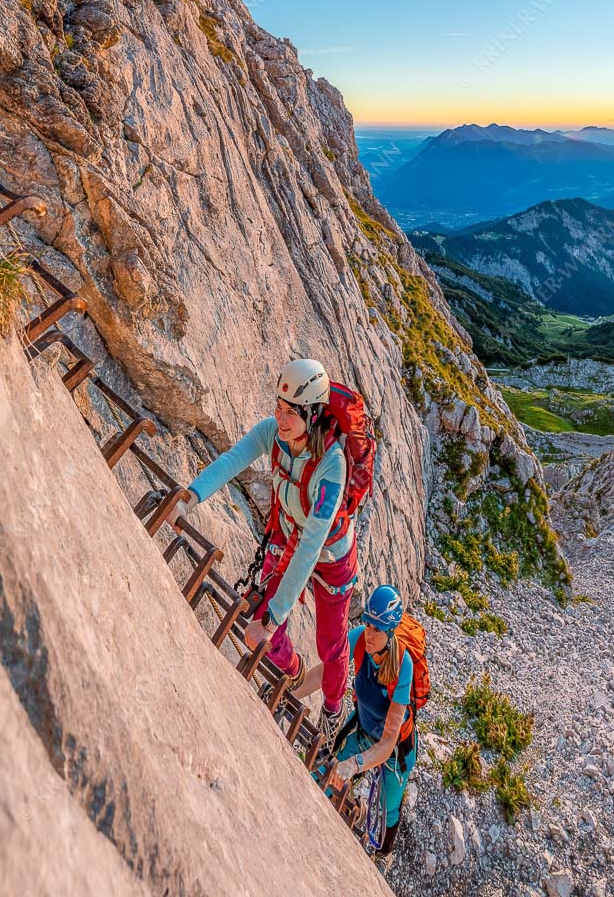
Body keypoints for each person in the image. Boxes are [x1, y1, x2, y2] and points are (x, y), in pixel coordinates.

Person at [177, 358, 358, 745]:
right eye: (278, 406)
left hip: (331, 559)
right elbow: (233, 460)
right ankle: (294, 673)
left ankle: (332, 708)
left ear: (312, 414)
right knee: (259, 627)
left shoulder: (332, 466)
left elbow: (312, 545)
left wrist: (275, 618)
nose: (280, 418)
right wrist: (190, 497)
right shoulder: (272, 434)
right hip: (290, 537)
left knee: (330, 643)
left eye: (291, 412)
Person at [326, 585, 418, 862]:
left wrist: (355, 764)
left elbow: (388, 743)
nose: (369, 633)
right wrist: (294, 684)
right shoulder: (359, 640)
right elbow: (328, 671)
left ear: (391, 632)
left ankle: (383, 854)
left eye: (377, 629)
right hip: (364, 731)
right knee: (331, 776)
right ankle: (340, 811)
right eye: (367, 624)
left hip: (396, 751)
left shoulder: (403, 666)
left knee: (389, 808)